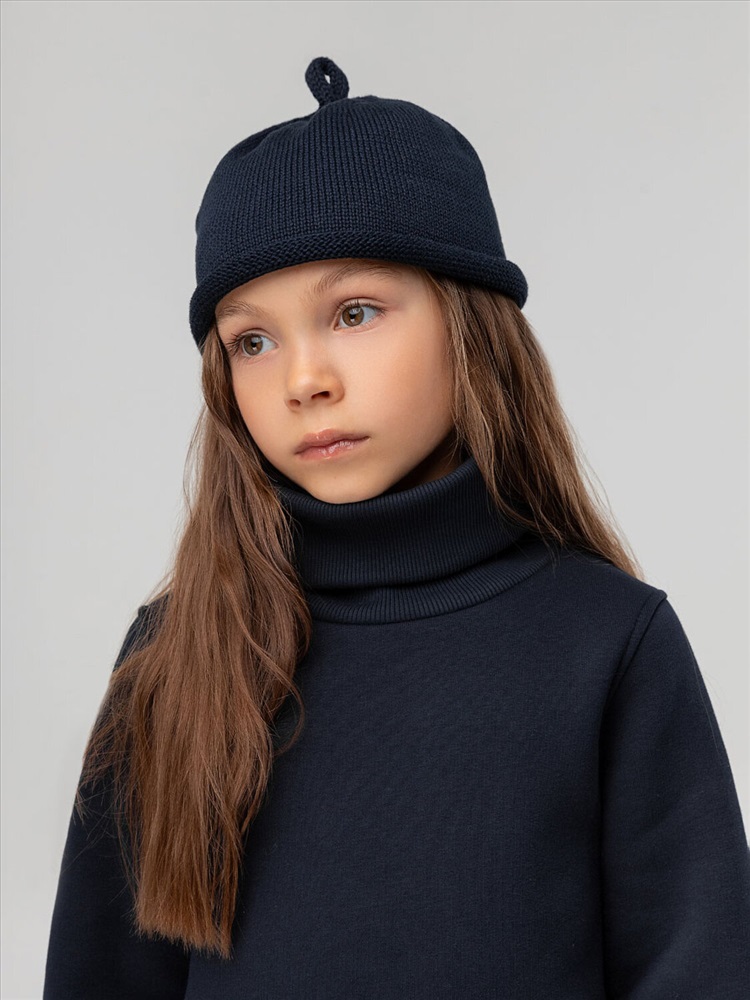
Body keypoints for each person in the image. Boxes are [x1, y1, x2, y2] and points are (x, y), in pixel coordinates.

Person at [43, 55, 750, 999]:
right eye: (253, 340)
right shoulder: (178, 657)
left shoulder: (607, 643)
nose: (304, 380)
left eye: (355, 312)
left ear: (469, 324)